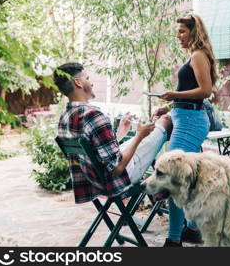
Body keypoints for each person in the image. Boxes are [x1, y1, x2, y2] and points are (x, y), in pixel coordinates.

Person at [54, 62, 172, 204]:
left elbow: (97, 153)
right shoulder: (93, 115)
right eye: (88, 78)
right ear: (78, 82)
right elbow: (117, 168)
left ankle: (161, 185)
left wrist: (119, 134)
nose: (92, 83)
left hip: (93, 182)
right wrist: (140, 135)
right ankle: (170, 186)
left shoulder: (65, 117)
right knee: (166, 121)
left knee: (153, 133)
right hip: (117, 180)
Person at [152, 14, 218, 246]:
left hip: (191, 122)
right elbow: (190, 90)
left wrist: (174, 95)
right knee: (187, 179)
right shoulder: (193, 56)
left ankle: (174, 240)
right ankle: (192, 229)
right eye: (177, 31)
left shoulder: (199, 55)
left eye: (182, 31)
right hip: (185, 118)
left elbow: (205, 91)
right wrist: (167, 106)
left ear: (194, 31)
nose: (178, 36)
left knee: (173, 177)